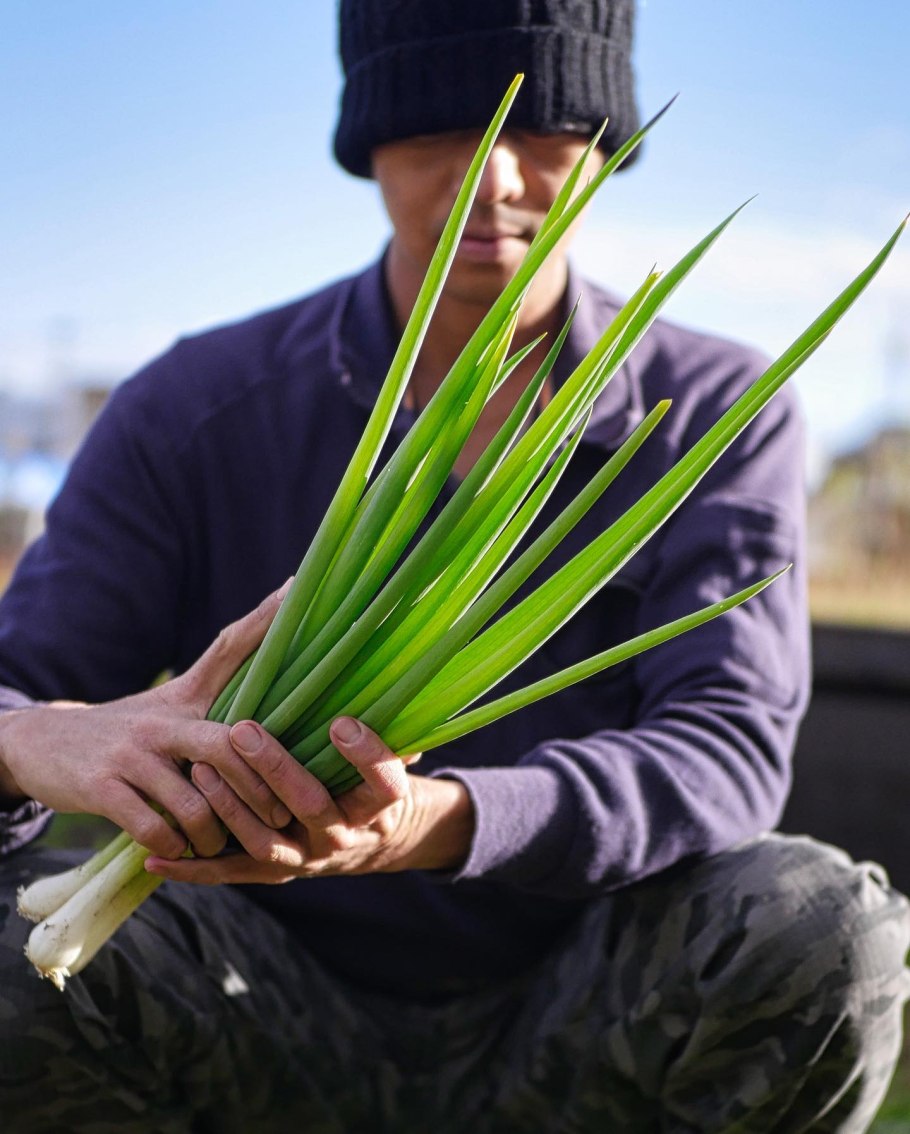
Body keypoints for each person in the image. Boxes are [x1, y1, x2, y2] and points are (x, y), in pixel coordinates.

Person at [0, 3, 907, 1131]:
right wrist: (33, 739)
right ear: (369, 140)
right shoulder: (196, 406)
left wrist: (427, 821)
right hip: (255, 997)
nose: (494, 179)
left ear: (608, 145)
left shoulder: (712, 412)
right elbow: (20, 683)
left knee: (820, 927)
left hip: (578, 1004)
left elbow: (724, 749)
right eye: (440, 127)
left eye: (543, 128)